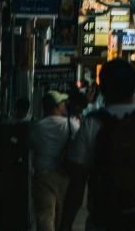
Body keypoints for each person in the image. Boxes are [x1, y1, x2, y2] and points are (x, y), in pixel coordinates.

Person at [60, 60, 135, 231]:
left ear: (103, 89)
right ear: (134, 87)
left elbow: (77, 184)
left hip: (102, 221)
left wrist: (65, 225)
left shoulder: (92, 122)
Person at [29, 91, 80, 231]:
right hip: (64, 175)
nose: (64, 106)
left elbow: (30, 145)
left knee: (45, 215)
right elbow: (80, 144)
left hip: (42, 175)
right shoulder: (71, 124)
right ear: (58, 107)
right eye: (62, 103)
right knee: (61, 214)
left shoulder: (37, 126)